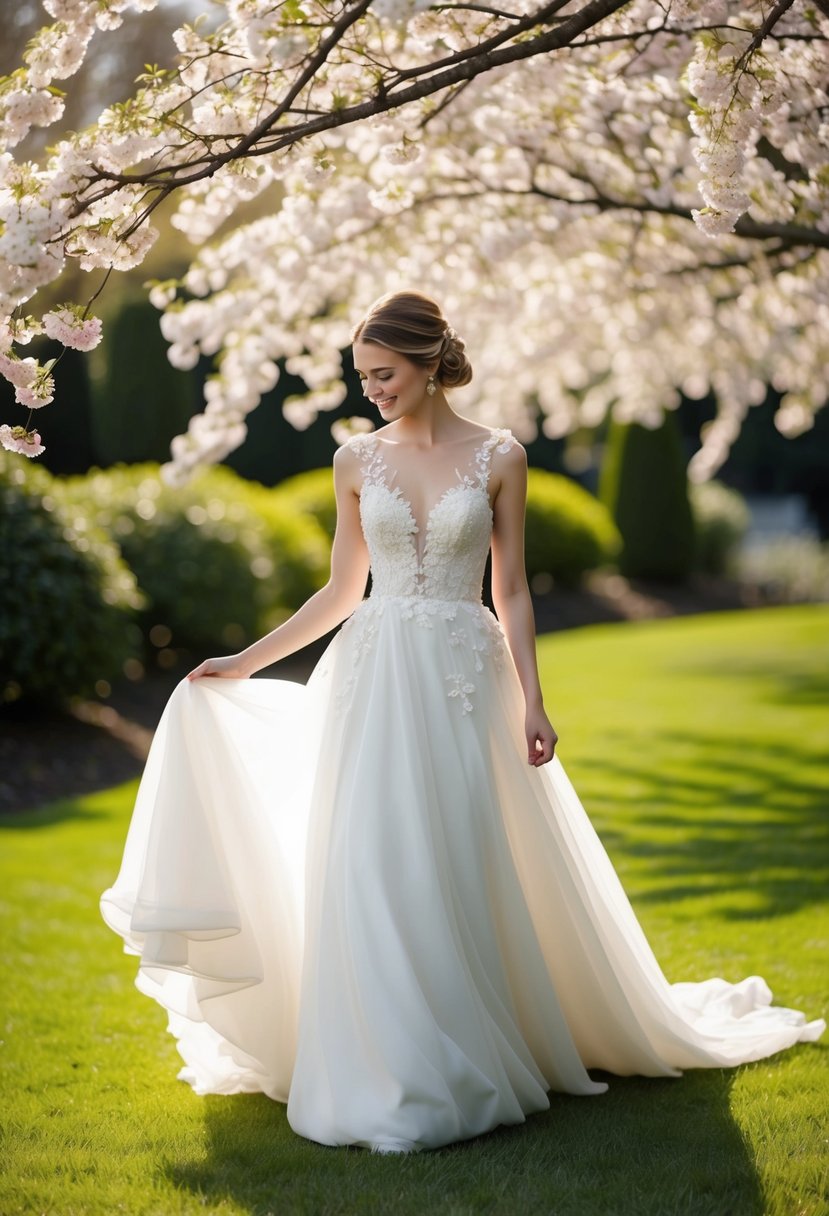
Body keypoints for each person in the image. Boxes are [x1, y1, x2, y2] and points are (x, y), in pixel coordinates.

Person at [101, 290, 824, 1154]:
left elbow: (508, 590)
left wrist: (533, 698)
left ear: (428, 361)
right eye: (363, 376)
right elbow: (339, 591)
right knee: (366, 857)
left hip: (460, 681)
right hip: (369, 678)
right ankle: (383, 1060)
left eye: (385, 374)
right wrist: (244, 663)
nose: (372, 389)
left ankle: (470, 1039)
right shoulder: (351, 460)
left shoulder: (500, 457)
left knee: (454, 856)